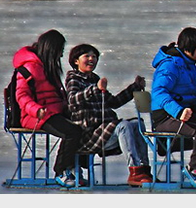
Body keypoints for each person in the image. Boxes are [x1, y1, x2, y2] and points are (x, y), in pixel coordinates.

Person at [65, 44, 153, 187]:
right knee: (123, 126)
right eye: (86, 56)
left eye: (94, 56)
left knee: (137, 124)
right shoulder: (74, 79)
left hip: (105, 131)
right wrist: (95, 89)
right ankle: (135, 171)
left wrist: (134, 87)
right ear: (76, 61)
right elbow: (72, 100)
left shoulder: (95, 78)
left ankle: (144, 170)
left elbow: (114, 102)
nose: (91, 59)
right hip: (89, 134)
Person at [12, 29, 84, 187]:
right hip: (35, 116)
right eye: (60, 51)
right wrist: (36, 110)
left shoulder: (47, 67)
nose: (61, 56)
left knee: (84, 123)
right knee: (72, 132)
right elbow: (21, 96)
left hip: (53, 112)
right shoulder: (28, 68)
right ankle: (61, 171)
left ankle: (76, 166)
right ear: (51, 49)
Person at [150, 27, 196, 190]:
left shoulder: (189, 65)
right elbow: (159, 92)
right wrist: (178, 111)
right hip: (165, 117)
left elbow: (190, 93)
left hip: (183, 113)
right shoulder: (170, 65)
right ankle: (195, 170)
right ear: (191, 46)